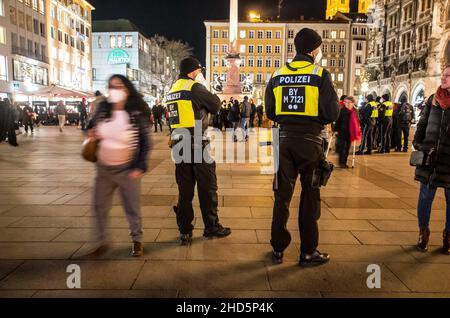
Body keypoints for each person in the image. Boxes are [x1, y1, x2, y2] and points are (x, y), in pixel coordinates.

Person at [265, 28, 339, 266]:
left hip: (284, 140)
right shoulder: (319, 74)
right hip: (310, 142)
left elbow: (270, 111)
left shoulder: (278, 74)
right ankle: (308, 251)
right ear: (314, 49)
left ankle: (277, 248)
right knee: (310, 196)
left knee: (282, 197)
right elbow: (331, 112)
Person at [167, 57, 231, 245]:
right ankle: (211, 226)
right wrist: (202, 86)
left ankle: (184, 231)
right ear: (193, 71)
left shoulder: (173, 89)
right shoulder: (194, 87)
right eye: (199, 71)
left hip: (179, 144)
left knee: (185, 190)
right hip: (196, 143)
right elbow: (216, 104)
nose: (200, 73)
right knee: (207, 187)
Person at [87, 74, 151, 257]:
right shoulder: (102, 108)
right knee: (99, 206)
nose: (114, 90)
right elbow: (89, 127)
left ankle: (137, 241)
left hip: (127, 169)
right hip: (104, 168)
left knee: (132, 207)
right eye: (111, 86)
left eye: (119, 86)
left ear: (127, 89)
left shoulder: (136, 112)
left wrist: (139, 166)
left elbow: (145, 143)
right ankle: (100, 242)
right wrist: (90, 133)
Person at [413, 65, 450, 255]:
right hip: (429, 157)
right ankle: (423, 232)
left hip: (448, 159)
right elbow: (422, 123)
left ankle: (448, 236)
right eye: (443, 74)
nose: (443, 78)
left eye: (447, 75)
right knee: (425, 197)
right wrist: (418, 143)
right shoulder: (433, 99)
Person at [334, 96, 361, 168]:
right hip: (341, 131)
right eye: (345, 102)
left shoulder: (355, 111)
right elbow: (338, 121)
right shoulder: (341, 110)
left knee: (347, 148)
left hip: (350, 132)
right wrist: (335, 130)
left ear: (352, 103)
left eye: (349, 102)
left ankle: (344, 161)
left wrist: (357, 128)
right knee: (342, 147)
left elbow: (358, 120)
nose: (347, 104)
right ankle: (341, 162)